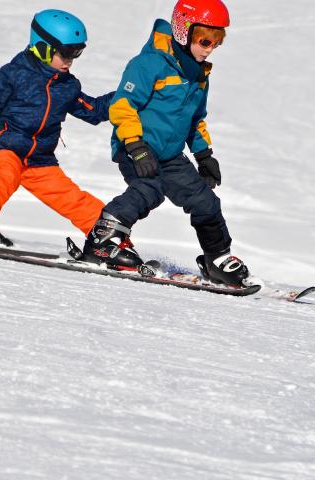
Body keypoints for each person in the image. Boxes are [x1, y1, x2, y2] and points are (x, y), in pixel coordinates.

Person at [80, 0, 251, 286]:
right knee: (149, 188)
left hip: (170, 156)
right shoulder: (149, 64)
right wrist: (135, 144)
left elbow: (196, 119)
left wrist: (204, 155)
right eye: (205, 39)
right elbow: (122, 105)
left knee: (205, 201)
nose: (210, 48)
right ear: (184, 31)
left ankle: (217, 258)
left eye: (217, 41)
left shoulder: (199, 75)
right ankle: (103, 240)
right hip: (135, 148)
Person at [0, 9, 113, 246]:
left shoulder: (67, 85)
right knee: (2, 175)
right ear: (43, 47)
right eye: (66, 53)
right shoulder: (14, 74)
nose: (70, 60)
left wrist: (129, 97)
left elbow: (93, 110)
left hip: (39, 159)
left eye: (76, 53)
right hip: (7, 147)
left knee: (71, 197)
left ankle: (108, 240)